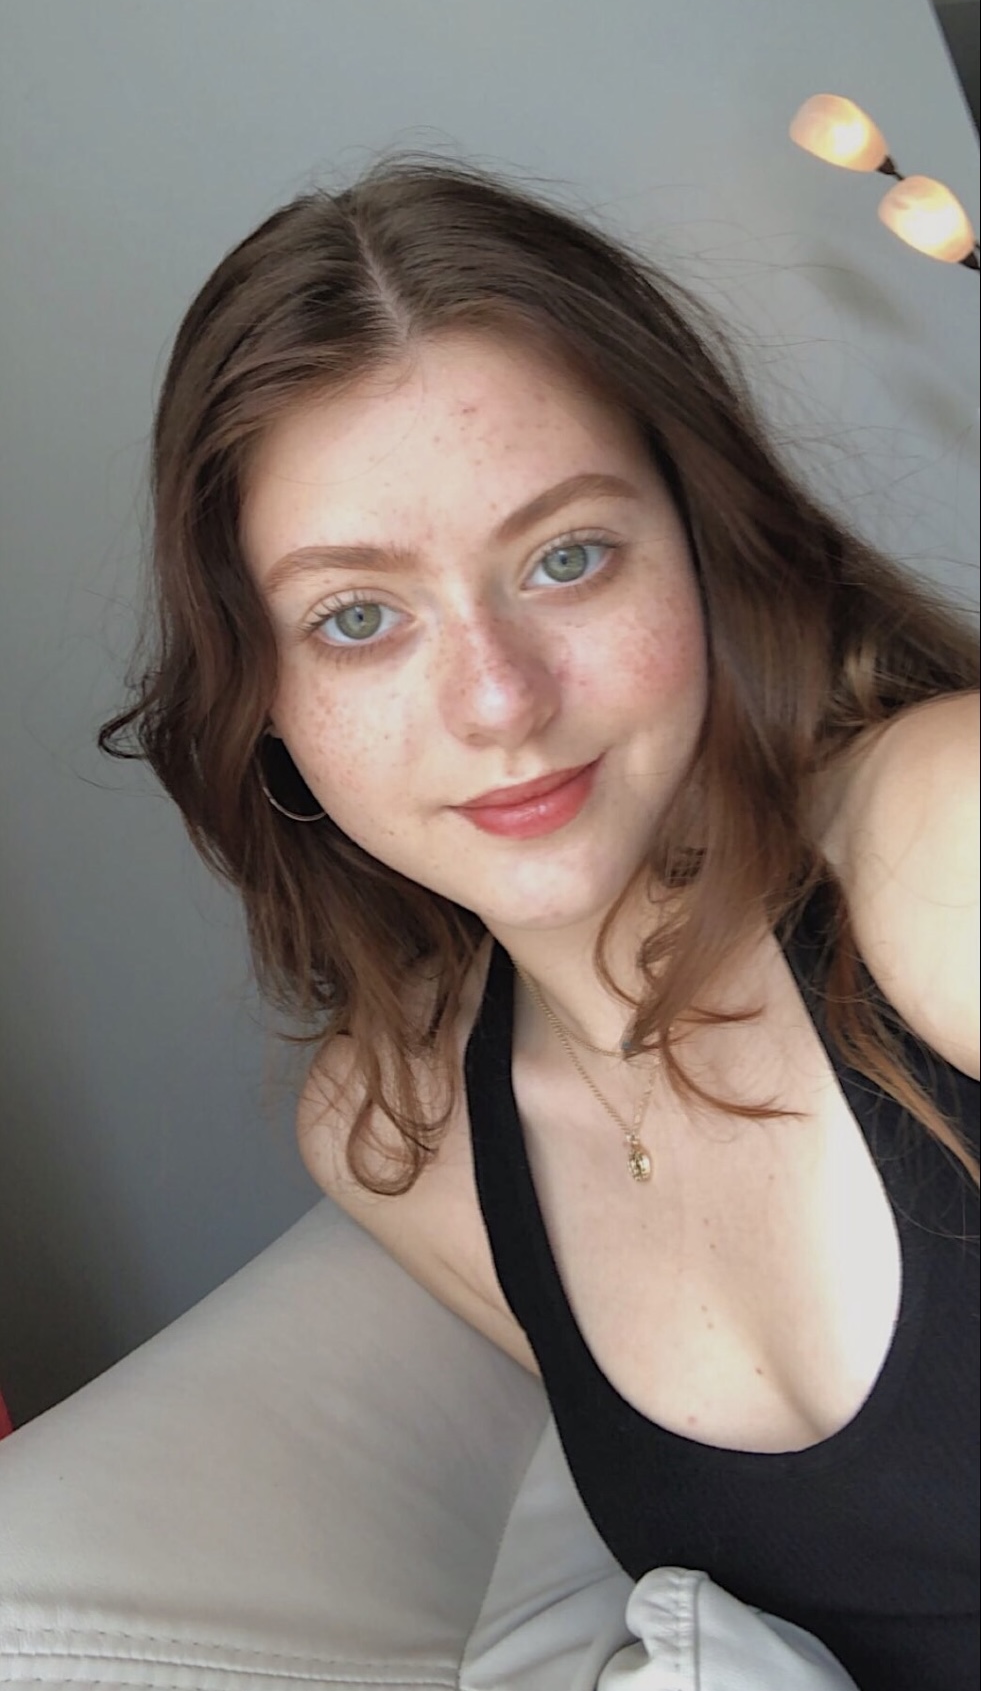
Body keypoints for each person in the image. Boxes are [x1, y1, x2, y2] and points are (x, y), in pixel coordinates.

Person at [101, 157, 979, 1691]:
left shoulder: (936, 833)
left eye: (566, 557)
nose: (499, 699)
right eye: (357, 618)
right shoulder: (400, 1133)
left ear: (701, 546)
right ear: (261, 697)